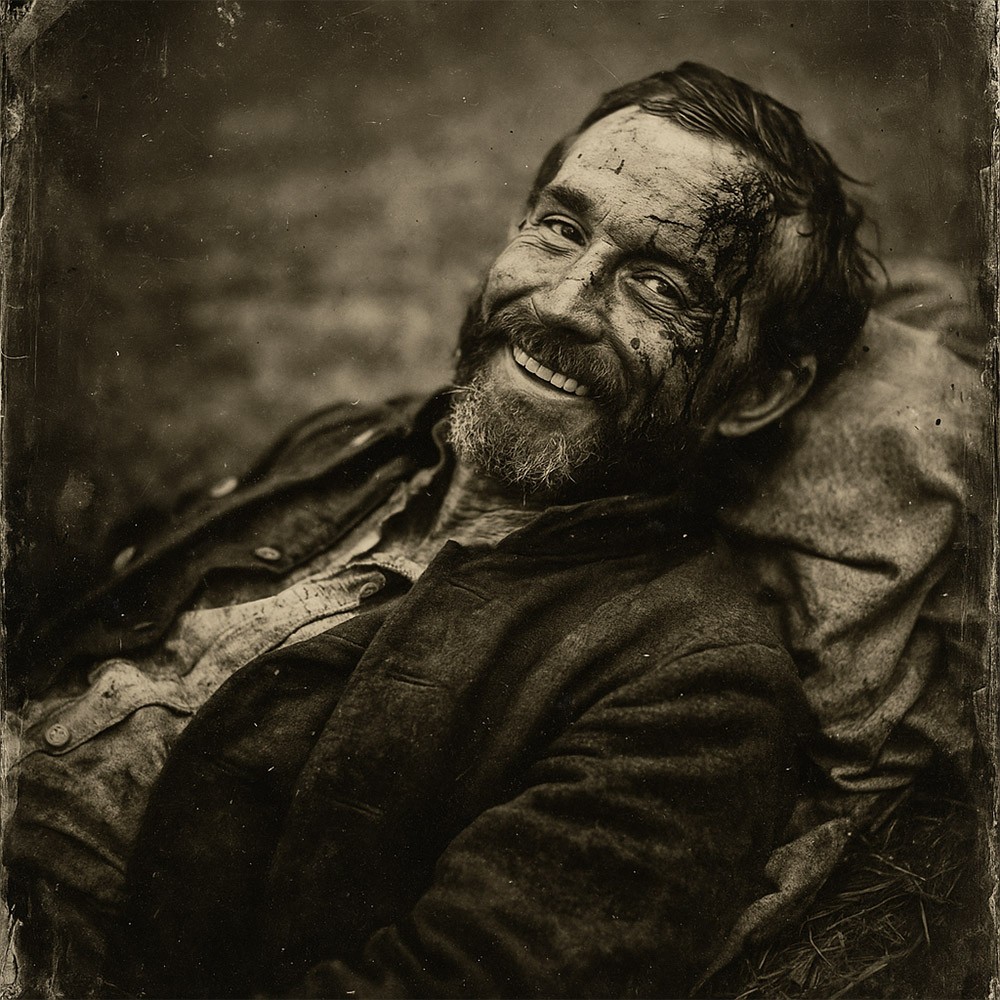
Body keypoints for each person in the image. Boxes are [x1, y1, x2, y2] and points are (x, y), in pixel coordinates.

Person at [4, 62, 875, 998]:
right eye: (560, 228)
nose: (560, 304)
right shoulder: (348, 443)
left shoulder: (694, 683)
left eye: (660, 287)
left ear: (759, 390)